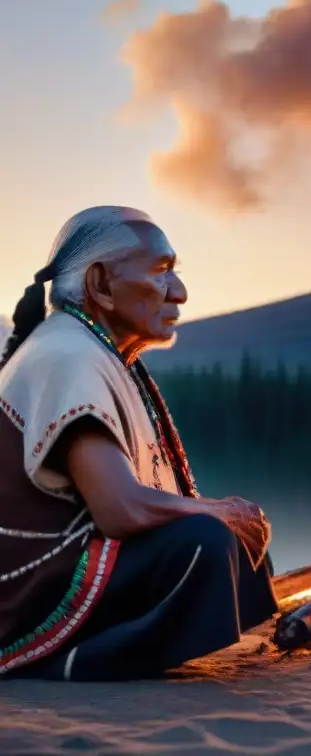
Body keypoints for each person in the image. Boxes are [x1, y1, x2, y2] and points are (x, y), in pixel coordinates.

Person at [0, 206, 277, 681]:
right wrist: (214, 511)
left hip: (75, 564)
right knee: (206, 541)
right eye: (162, 272)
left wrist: (224, 517)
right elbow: (119, 510)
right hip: (31, 594)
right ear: (101, 285)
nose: (180, 293)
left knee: (237, 540)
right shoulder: (69, 354)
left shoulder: (91, 349)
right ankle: (73, 659)